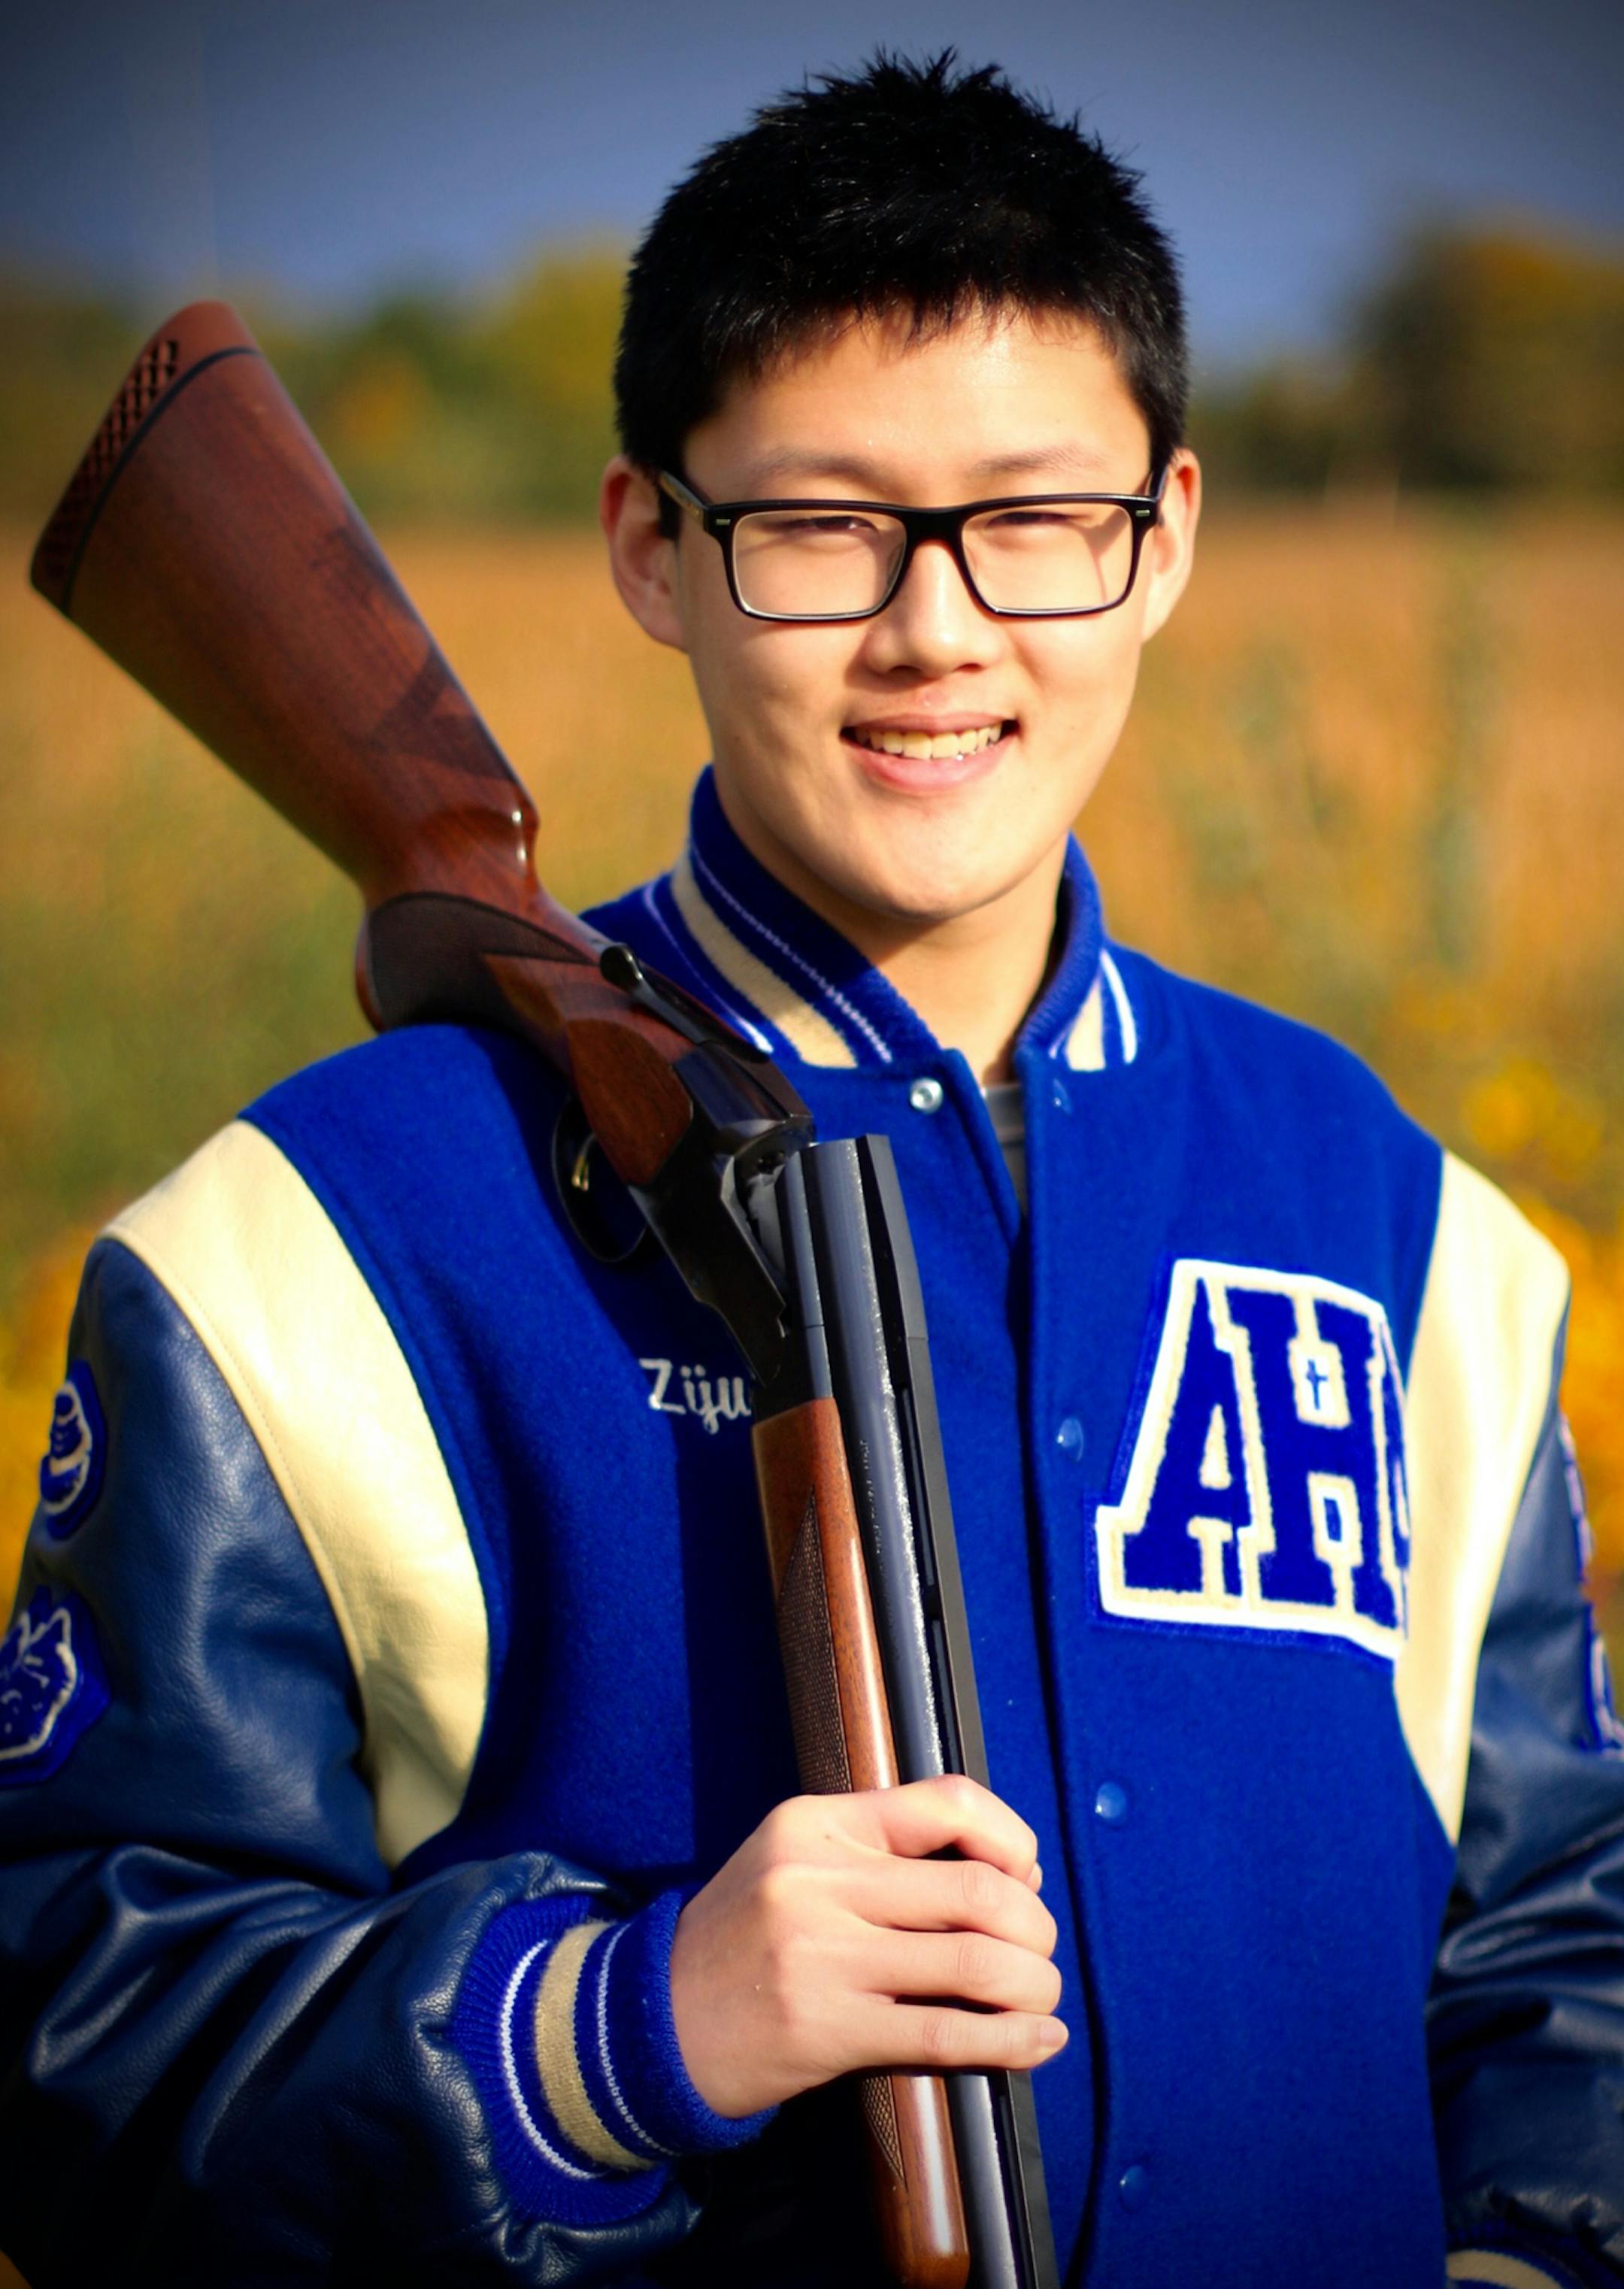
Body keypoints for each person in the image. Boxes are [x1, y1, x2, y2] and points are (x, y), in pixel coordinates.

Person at [2, 50, 1621, 2289]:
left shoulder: (1413, 1226)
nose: (938, 628)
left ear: (1167, 537)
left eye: (1036, 522)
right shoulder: (304, 1247)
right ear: (652, 549)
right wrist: (622, 2031)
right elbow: (79, 2035)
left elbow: (1558, 1952)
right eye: (821, 524)